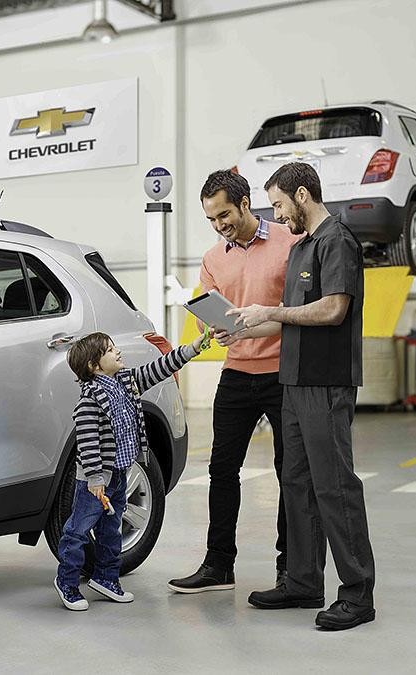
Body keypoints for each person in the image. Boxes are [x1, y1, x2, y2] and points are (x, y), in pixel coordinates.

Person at [228, 161, 377, 631]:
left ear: (302, 195)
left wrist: (271, 310)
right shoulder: (301, 249)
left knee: (334, 486)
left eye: (277, 204)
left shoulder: (338, 242)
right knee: (296, 483)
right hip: (292, 381)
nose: (276, 215)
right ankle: (303, 579)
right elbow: (290, 316)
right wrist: (246, 324)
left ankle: (357, 594)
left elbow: (333, 310)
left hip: (325, 382)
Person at [168, 170, 301, 594]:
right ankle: (218, 564)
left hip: (284, 374)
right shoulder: (213, 258)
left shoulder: (289, 242)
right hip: (237, 373)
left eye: (224, 214)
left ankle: (290, 567)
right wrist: (216, 331)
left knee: (289, 472)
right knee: (221, 470)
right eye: (211, 219)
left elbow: (298, 312)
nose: (219, 224)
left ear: (245, 203)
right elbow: (213, 312)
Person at [55, 330, 211, 611]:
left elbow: (161, 367)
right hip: (96, 481)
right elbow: (88, 443)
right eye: (110, 350)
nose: (118, 352)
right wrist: (94, 478)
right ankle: (66, 581)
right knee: (78, 530)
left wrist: (194, 348)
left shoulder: (127, 383)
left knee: (111, 529)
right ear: (94, 365)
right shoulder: (89, 400)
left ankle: (106, 577)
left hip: (118, 474)